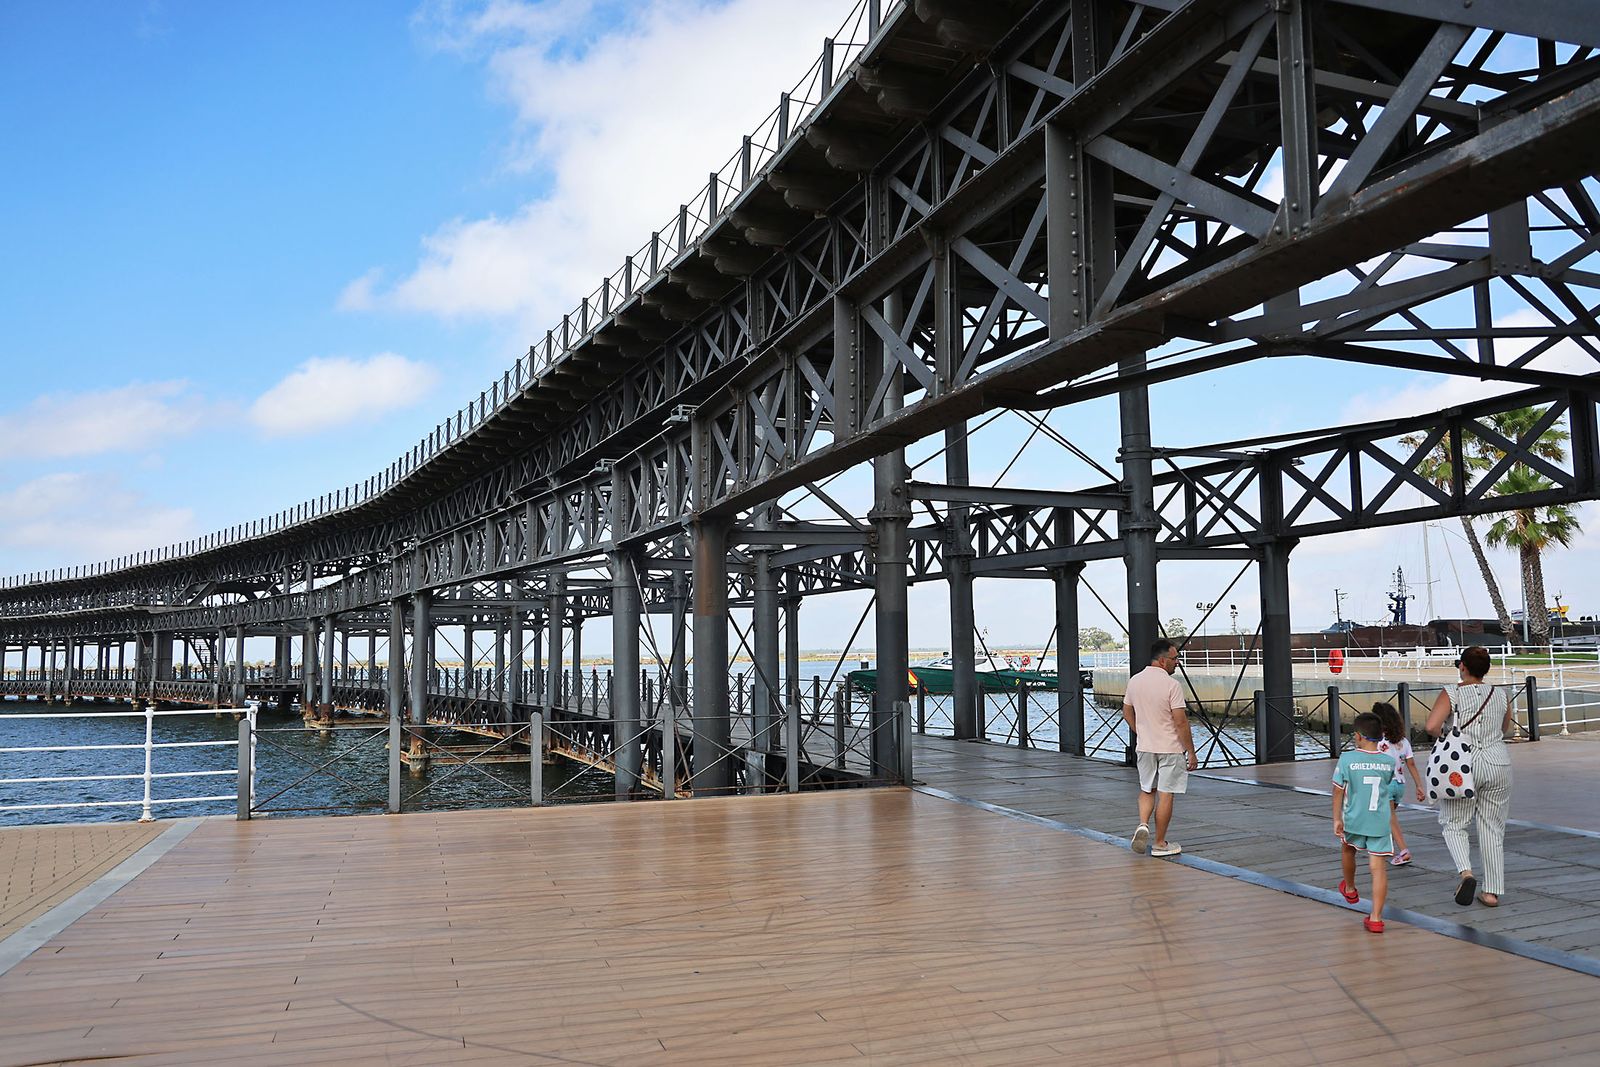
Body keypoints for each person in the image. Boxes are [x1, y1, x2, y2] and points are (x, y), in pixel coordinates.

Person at [1426, 645, 1513, 907]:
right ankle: (1492, 892)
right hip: (1498, 763)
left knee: (1454, 823)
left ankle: (1466, 873)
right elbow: (1504, 727)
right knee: (1492, 828)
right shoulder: (1501, 694)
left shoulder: (1451, 692)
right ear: (1486, 669)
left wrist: (1448, 735)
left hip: (1463, 764)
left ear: (1462, 666)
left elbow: (1431, 726)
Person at [1123, 639, 1197, 858]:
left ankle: (1143, 824)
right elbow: (1181, 722)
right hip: (1170, 748)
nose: (1177, 663)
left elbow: (1127, 711)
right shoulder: (1171, 685)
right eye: (1175, 659)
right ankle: (1159, 843)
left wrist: (1140, 731)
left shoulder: (1135, 681)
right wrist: (1191, 751)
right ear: (1163, 660)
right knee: (1166, 794)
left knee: (1147, 789)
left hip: (1145, 746)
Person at [1333, 712, 1404, 933]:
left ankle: (1351, 888)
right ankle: (1376, 918)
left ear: (1358, 736)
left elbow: (1338, 792)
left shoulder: (1347, 759)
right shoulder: (1388, 762)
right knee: (1378, 868)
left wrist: (1336, 818)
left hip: (1354, 818)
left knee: (1347, 849)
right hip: (1379, 821)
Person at [1372, 701, 1424, 865]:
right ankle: (1383, 845)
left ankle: (1403, 850)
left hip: (1385, 784)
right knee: (1384, 817)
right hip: (1400, 785)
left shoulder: (1378, 742)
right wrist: (1419, 786)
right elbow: (1411, 764)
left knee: (1389, 818)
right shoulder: (1403, 741)